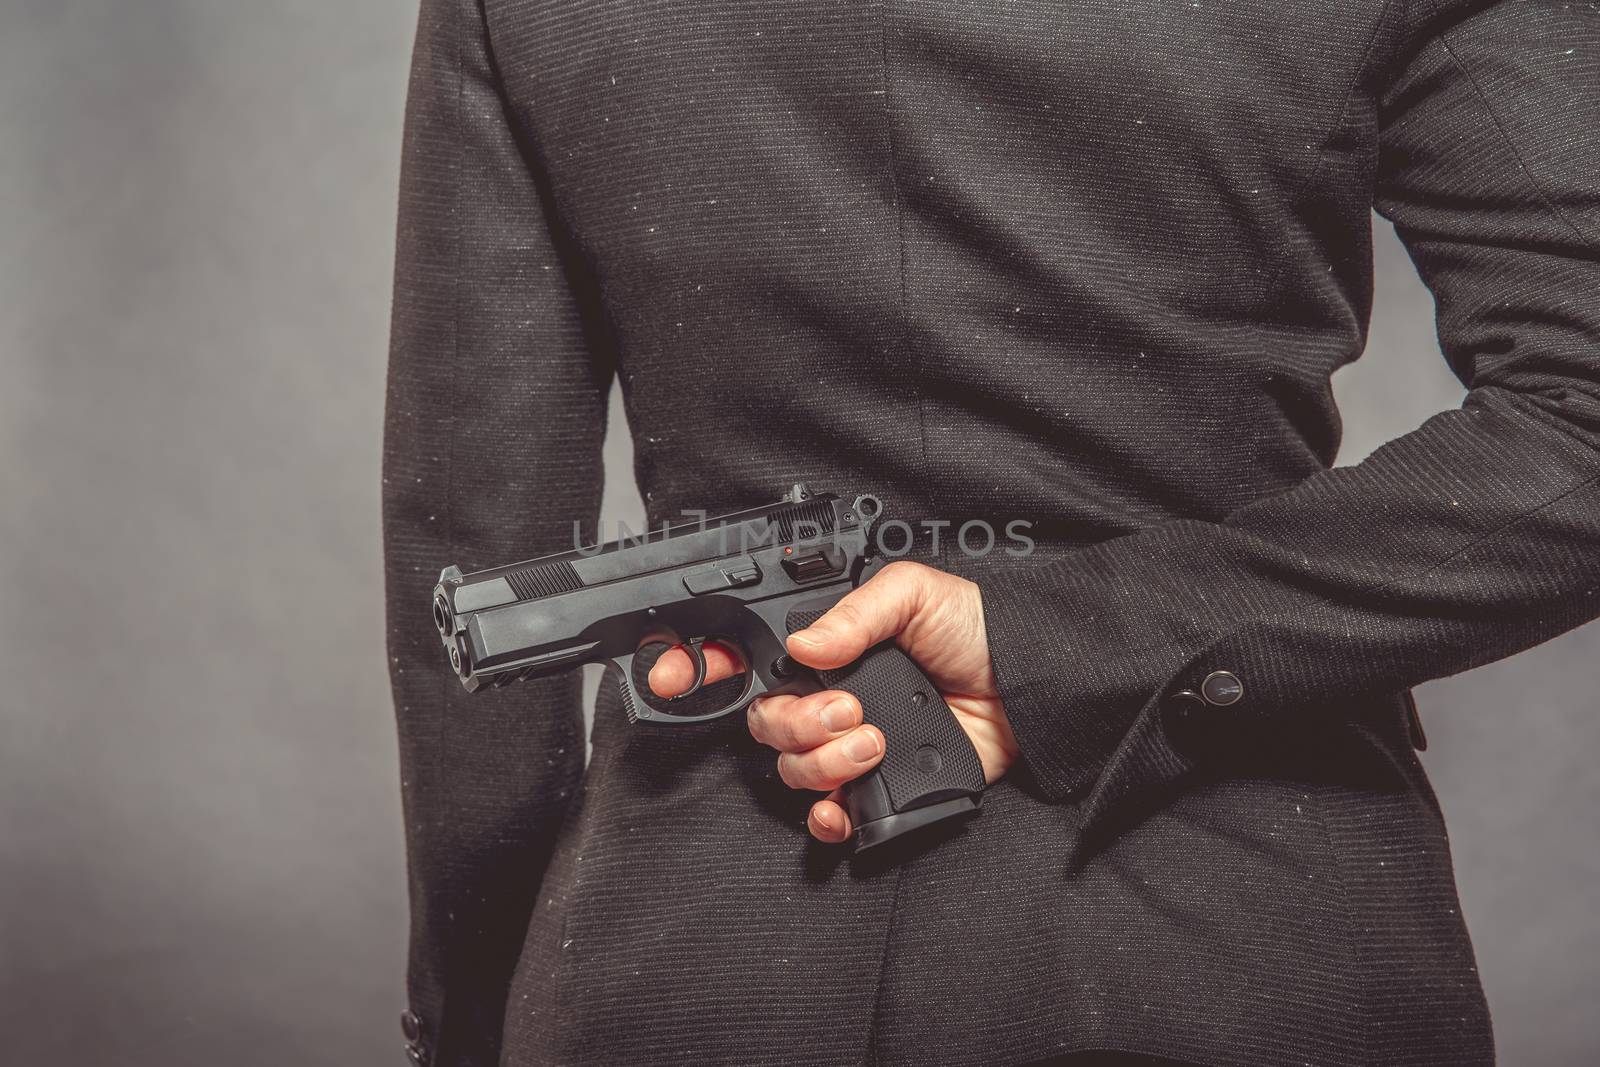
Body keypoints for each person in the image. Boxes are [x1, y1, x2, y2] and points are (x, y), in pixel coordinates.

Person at [381, 0, 1600, 1064]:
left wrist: (484, 1006)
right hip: (1243, 946)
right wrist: (1073, 636)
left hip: (692, 966)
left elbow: (468, 529)